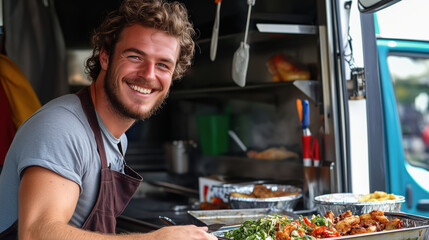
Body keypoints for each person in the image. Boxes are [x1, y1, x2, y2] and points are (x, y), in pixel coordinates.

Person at [0, 0, 217, 239]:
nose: (148, 74)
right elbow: (35, 234)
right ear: (104, 56)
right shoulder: (61, 128)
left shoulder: (116, 139)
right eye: (135, 56)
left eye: (163, 65)